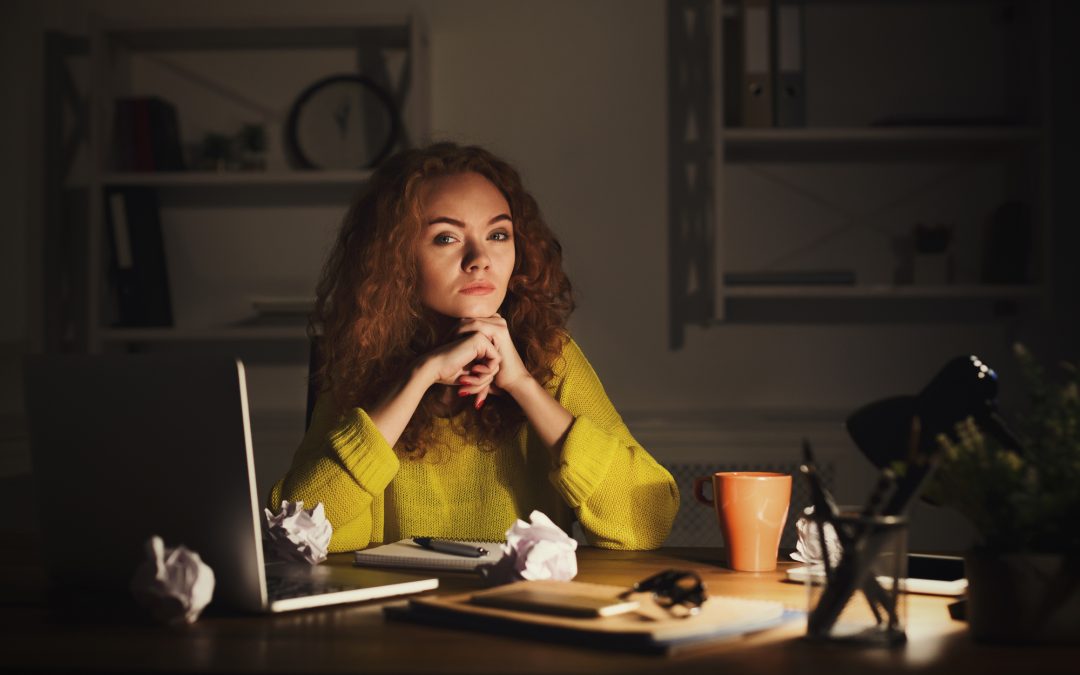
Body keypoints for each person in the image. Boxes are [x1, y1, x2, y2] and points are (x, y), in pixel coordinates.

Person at [269, 142, 679, 552]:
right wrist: (419, 376)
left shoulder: (552, 355)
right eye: (446, 238)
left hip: (520, 609)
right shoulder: (362, 360)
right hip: (394, 610)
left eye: (498, 234)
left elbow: (646, 522)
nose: (480, 259)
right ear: (397, 258)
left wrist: (522, 385)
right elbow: (304, 528)